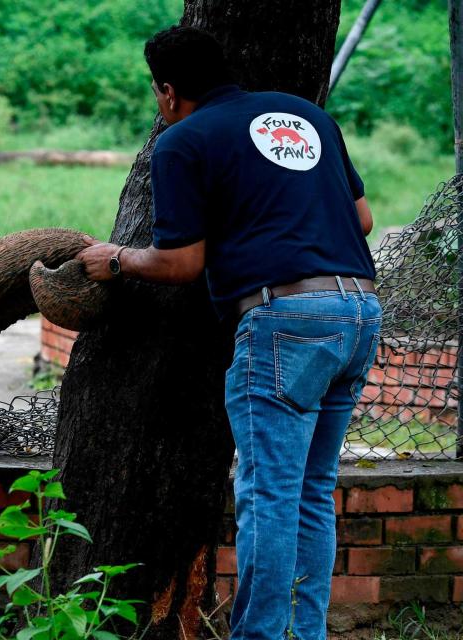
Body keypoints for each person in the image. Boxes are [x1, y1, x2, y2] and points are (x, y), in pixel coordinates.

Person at [77, 26, 381, 640]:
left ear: (167, 91)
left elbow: (181, 264)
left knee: (269, 492)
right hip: (359, 313)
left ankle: (261, 636)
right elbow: (365, 219)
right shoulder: (305, 117)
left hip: (283, 322)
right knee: (312, 491)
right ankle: (304, 633)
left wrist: (116, 258)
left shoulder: (182, 141)